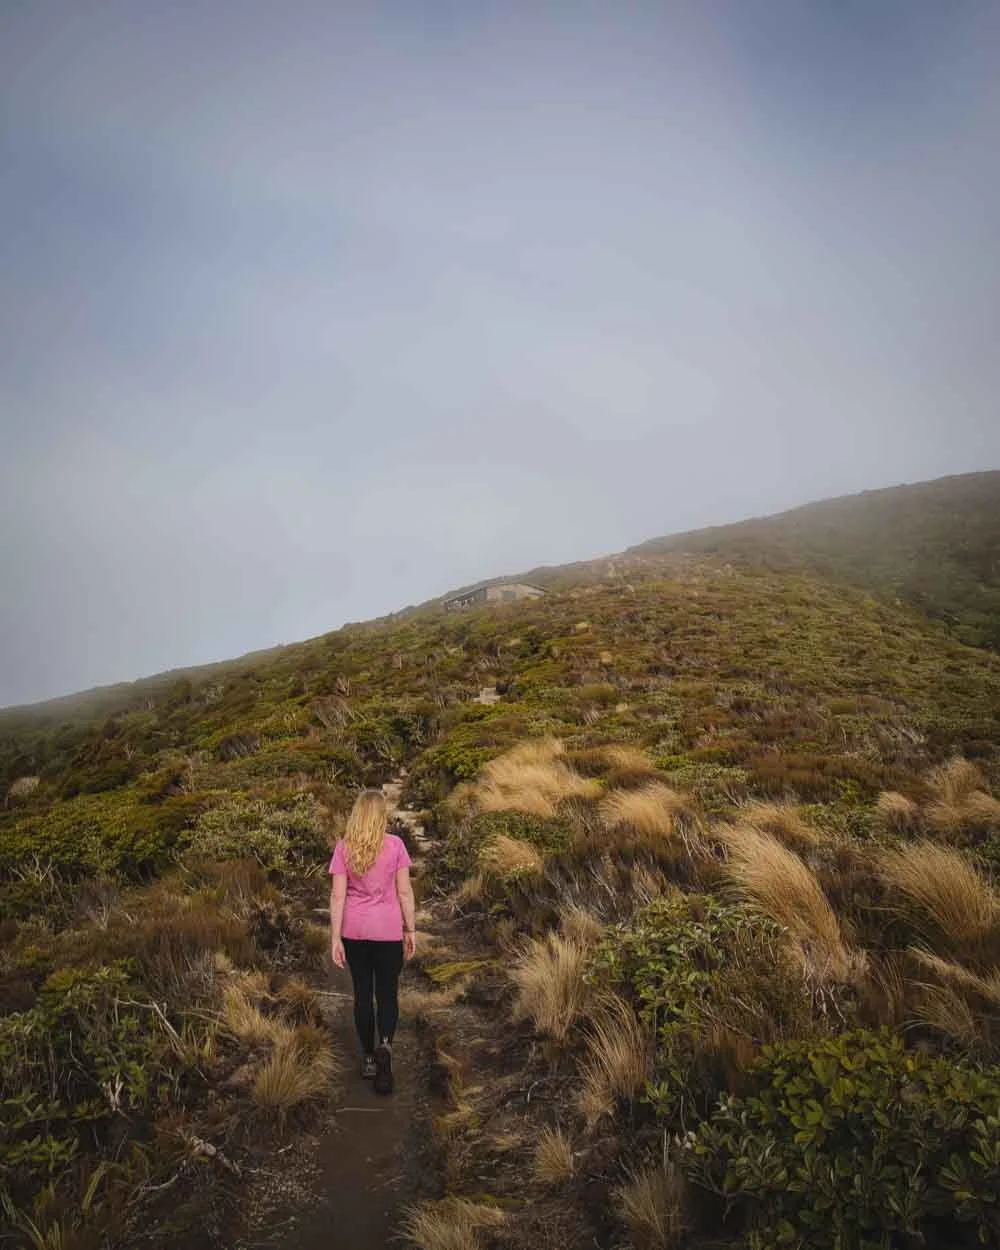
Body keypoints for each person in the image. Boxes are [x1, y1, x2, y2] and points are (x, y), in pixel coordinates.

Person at [329, 789, 416, 1095]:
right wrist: (411, 929)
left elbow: (338, 895)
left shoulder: (344, 847)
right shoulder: (395, 845)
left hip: (355, 931)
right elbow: (404, 892)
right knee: (388, 993)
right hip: (388, 931)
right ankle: (386, 1046)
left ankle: (368, 1057)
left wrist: (335, 937)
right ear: (381, 815)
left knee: (363, 994)